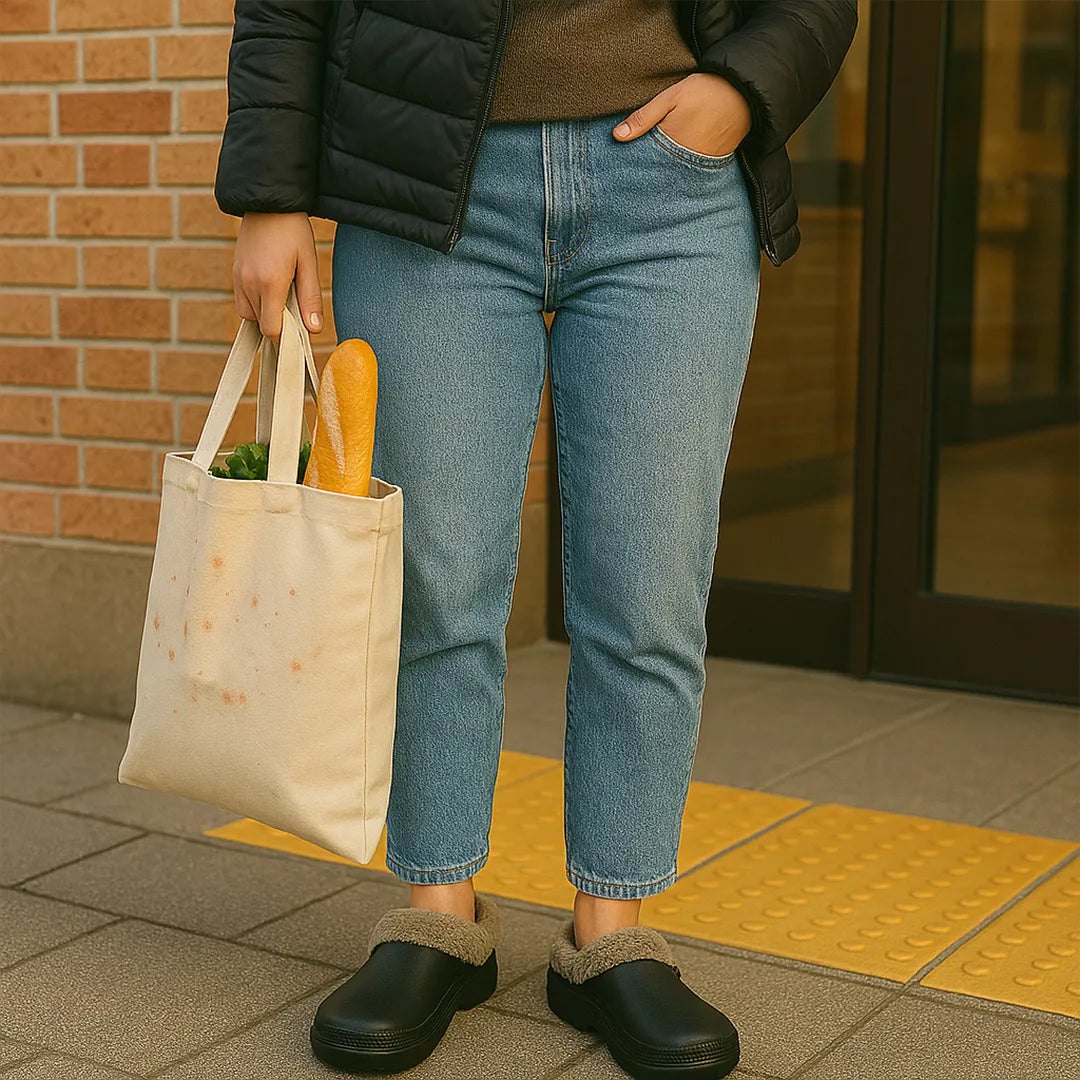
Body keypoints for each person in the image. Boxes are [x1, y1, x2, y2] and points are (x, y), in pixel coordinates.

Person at [215, 1, 857, 1076]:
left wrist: (741, 91)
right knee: (436, 578)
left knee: (647, 587)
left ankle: (611, 933)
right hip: (425, 181)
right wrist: (270, 195)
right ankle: (438, 915)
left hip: (673, 186)